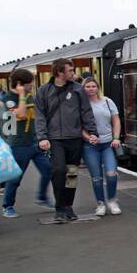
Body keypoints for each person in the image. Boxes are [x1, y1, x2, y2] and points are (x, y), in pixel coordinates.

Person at [34, 59, 99, 223]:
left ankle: (68, 206)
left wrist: (92, 132)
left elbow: (86, 112)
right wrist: (42, 137)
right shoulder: (44, 91)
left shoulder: (78, 89)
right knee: (59, 171)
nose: (73, 73)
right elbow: (40, 116)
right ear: (59, 72)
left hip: (74, 138)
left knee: (71, 173)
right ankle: (59, 206)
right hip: (55, 139)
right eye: (70, 70)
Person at [0, 68, 53, 217]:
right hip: (18, 144)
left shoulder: (30, 96)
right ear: (19, 84)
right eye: (29, 84)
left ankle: (42, 197)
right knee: (16, 178)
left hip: (34, 142)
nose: (31, 87)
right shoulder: (7, 99)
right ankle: (7, 206)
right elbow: (20, 114)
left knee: (48, 170)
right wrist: (22, 94)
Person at [80, 77, 122, 216]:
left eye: (93, 86)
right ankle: (100, 204)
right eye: (87, 87)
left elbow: (116, 121)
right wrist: (88, 137)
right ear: (83, 88)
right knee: (96, 177)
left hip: (107, 144)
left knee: (111, 174)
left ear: (98, 88)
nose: (91, 89)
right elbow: (78, 126)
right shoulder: (81, 104)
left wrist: (116, 138)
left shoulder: (108, 102)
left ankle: (112, 200)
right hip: (90, 146)